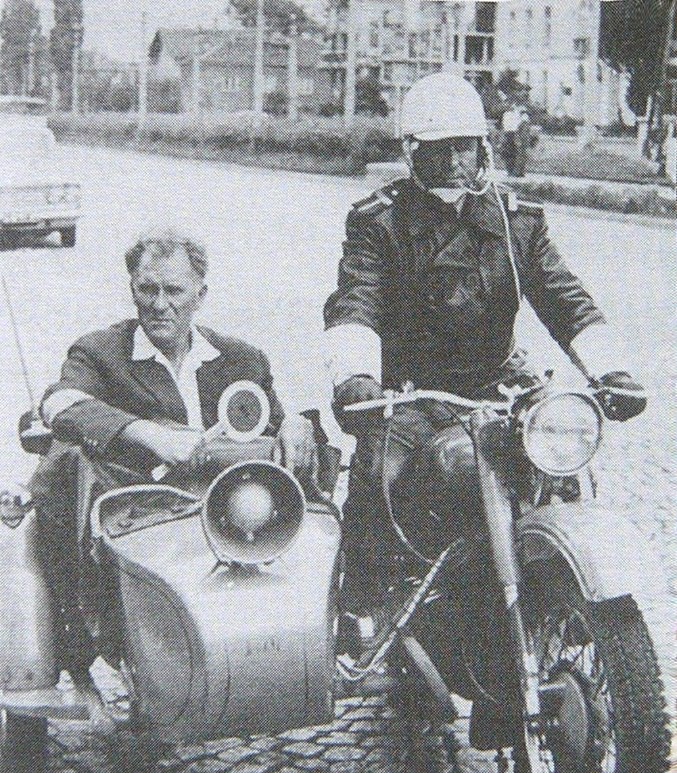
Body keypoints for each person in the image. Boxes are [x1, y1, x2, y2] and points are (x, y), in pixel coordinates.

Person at [324, 73, 647, 655]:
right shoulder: (380, 221)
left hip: (502, 385)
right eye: (441, 148)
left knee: (562, 464)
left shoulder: (514, 220)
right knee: (378, 469)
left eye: (466, 146)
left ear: (483, 148)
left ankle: (559, 588)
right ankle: (362, 606)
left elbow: (563, 296)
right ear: (412, 151)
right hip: (414, 394)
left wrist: (609, 370)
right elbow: (357, 297)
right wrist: (356, 377)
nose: (456, 161)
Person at [30, 227, 315, 675]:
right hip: (147, 528)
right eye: (148, 289)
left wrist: (296, 424)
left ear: (200, 295)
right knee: (65, 463)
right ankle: (85, 645)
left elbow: (272, 422)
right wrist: (148, 434)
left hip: (240, 521)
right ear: (132, 290)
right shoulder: (100, 352)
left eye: (174, 291)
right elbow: (58, 403)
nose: (160, 304)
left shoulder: (241, 359)